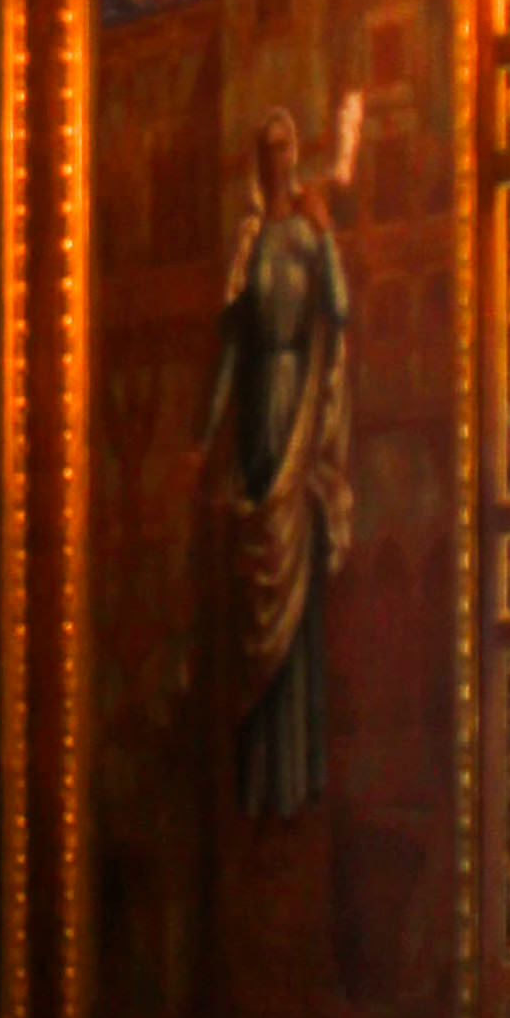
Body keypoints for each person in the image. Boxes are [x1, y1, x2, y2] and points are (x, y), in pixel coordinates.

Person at [201, 90, 364, 825]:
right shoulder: (250, 241)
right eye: (267, 151)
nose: (278, 161)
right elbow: (231, 351)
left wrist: (326, 237)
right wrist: (203, 435)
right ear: (256, 162)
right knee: (252, 594)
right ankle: (257, 779)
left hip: (298, 408)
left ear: (295, 155)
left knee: (298, 602)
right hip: (257, 419)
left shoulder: (304, 233)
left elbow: (339, 308)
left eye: (286, 148)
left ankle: (298, 774)